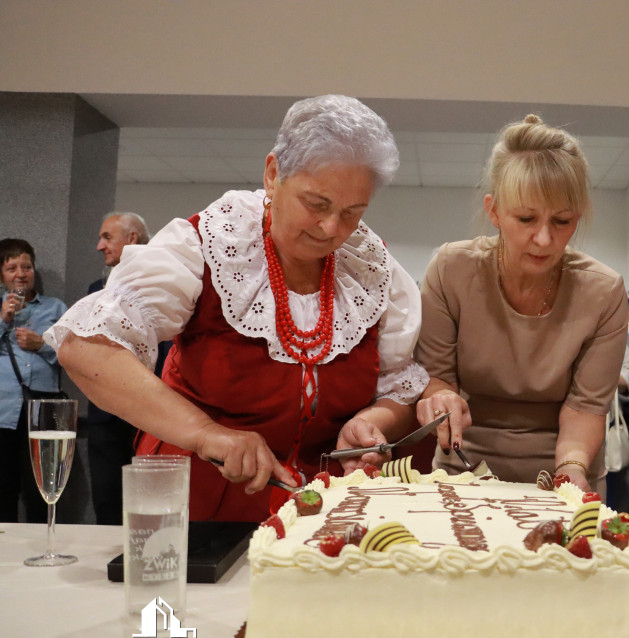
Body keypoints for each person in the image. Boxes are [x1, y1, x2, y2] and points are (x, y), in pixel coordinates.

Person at [46, 95, 428, 522]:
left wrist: (374, 421)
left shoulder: (370, 267)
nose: (331, 228)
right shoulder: (209, 245)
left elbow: (400, 387)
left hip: (323, 511)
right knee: (184, 573)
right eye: (317, 204)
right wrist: (204, 433)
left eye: (352, 212)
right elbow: (86, 348)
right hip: (199, 507)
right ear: (273, 174)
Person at [414, 115, 629, 491]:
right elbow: (437, 377)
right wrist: (440, 397)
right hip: (465, 467)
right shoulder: (451, 270)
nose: (544, 239)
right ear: (494, 211)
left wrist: (572, 467)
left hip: (564, 469)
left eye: (562, 221)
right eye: (526, 218)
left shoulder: (603, 292)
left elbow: (585, 408)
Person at [86, 212, 157, 525]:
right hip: (105, 413)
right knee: (106, 498)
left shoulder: (163, 285)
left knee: (150, 500)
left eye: (107, 237)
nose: (99, 246)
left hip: (150, 411)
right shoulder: (95, 289)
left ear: (131, 239)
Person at [0, 239, 68, 522]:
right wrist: (4, 319)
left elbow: (73, 356)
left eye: (26, 267)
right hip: (3, 411)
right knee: (3, 487)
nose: (20, 274)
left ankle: (44, 541)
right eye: (12, 268)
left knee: (42, 487)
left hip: (44, 408)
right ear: (2, 275)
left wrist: (41, 344)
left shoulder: (55, 308)